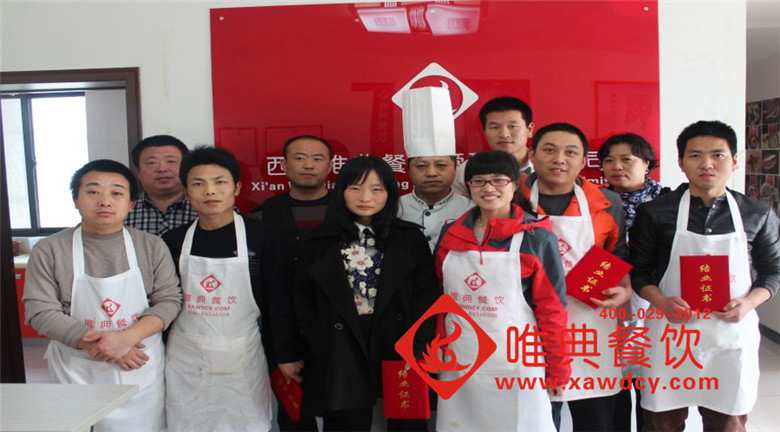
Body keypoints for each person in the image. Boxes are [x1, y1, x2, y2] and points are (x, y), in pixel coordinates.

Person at [630, 121, 780, 432]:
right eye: (695, 155)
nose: (707, 164)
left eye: (718, 155)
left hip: (730, 337)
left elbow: (773, 271)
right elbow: (639, 272)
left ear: (734, 161)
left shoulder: (756, 213)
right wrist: (661, 301)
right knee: (662, 423)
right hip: (670, 336)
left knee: (728, 422)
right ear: (681, 162)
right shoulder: (656, 212)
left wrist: (749, 302)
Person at [24, 159, 181, 432]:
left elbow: (169, 300)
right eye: (93, 191)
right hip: (77, 367)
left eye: (116, 193)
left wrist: (126, 339)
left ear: (131, 204)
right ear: (76, 200)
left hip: (138, 363)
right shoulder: (49, 249)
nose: (105, 201)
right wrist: (101, 345)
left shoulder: (151, 246)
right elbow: (40, 311)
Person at [293, 156, 439, 431]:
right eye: (355, 188)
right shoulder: (318, 241)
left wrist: (420, 345)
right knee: (346, 423)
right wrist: (315, 341)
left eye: (376, 189)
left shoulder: (408, 238)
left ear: (389, 193)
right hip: (341, 346)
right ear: (341, 192)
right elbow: (302, 300)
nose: (365, 198)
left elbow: (426, 296)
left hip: (399, 342)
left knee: (407, 421)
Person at [435, 151, 570, 432]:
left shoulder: (536, 237)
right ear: (469, 186)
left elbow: (552, 309)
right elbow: (440, 299)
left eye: (498, 180)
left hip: (517, 363)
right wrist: (437, 347)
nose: (488, 188)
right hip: (460, 359)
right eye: (479, 181)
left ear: (514, 185)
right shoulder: (451, 234)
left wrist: (558, 367)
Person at [518, 122, 633, 431]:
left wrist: (624, 289)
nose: (559, 159)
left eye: (570, 152)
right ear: (532, 155)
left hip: (589, 322)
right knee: (538, 419)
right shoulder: (513, 197)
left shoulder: (605, 202)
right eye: (549, 150)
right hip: (530, 324)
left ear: (583, 161)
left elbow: (617, 256)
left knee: (595, 419)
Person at [162, 146, 275, 432]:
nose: (210, 191)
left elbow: (279, 300)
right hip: (186, 354)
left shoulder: (263, 237)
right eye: (198, 184)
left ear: (236, 187)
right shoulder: (172, 241)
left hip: (243, 352)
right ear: (186, 192)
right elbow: (163, 299)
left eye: (219, 182)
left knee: (247, 423)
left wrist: (286, 354)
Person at [248, 134, 332, 431]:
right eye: (299, 158)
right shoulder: (262, 216)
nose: (308, 165)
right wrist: (283, 349)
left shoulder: (348, 210)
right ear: (283, 165)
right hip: (282, 333)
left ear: (330, 166)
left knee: (344, 416)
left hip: (338, 337)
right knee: (294, 418)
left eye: (317, 158)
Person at [597, 132, 669, 431]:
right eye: (609, 160)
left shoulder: (669, 202)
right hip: (607, 297)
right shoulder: (593, 202)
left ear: (647, 163)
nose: (617, 167)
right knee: (611, 378)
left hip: (655, 299)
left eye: (627, 159)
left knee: (649, 379)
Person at [398, 87, 472, 251]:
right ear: (408, 169)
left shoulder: (471, 209)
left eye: (441, 165)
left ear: (455, 167)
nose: (431, 173)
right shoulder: (394, 208)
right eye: (421, 166)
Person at [452, 96, 535, 196]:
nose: (504, 134)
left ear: (530, 130)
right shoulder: (467, 169)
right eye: (495, 127)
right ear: (484, 132)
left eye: (512, 126)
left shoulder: (544, 165)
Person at [125, 135, 198, 235]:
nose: (162, 169)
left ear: (186, 168)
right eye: (152, 163)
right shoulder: (122, 210)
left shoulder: (202, 207)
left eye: (171, 161)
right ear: (138, 172)